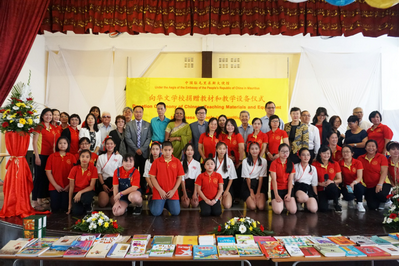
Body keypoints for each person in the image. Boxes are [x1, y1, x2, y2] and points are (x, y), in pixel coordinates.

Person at [148, 141, 185, 216]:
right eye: (165, 150)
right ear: (162, 150)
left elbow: (180, 177)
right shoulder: (156, 162)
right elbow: (152, 177)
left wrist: (173, 190)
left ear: (172, 150)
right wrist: (160, 190)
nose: (167, 152)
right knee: (156, 213)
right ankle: (151, 201)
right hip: (159, 191)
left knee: (175, 212)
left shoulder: (177, 162)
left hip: (172, 192)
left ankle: (163, 203)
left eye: (169, 150)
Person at [32, 108, 57, 211]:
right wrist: (37, 156)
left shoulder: (53, 128)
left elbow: (54, 143)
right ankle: (34, 200)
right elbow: (34, 142)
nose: (48, 117)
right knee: (38, 177)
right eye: (46, 115)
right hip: (40, 155)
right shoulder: (39, 126)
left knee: (46, 177)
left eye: (50, 115)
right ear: (42, 116)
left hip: (50, 156)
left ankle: (42, 198)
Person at [45, 136, 77, 213]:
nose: (62, 145)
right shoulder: (51, 156)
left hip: (67, 187)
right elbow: (48, 172)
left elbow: (75, 173)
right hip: (54, 186)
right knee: (55, 208)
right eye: (60, 143)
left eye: (64, 143)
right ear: (57, 145)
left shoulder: (72, 157)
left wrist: (69, 186)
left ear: (68, 145)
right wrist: (55, 185)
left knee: (64, 207)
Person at [125, 106, 152, 192]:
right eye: (136, 112)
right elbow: (127, 138)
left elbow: (149, 138)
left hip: (144, 153)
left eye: (140, 112)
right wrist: (136, 149)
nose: (138, 114)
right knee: (132, 172)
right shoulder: (129, 124)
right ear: (133, 113)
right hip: (132, 153)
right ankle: (132, 190)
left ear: (143, 113)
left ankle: (143, 191)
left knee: (143, 172)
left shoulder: (147, 124)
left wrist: (142, 149)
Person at [358, 140, 390, 210]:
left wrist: (380, 184)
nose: (371, 148)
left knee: (381, 194)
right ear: (365, 148)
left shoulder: (381, 157)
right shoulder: (360, 158)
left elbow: (384, 172)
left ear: (376, 148)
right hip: (369, 186)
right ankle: (379, 200)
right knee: (372, 206)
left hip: (382, 183)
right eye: (368, 146)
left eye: (373, 146)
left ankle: (385, 200)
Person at [265, 115, 289, 201]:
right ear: (270, 123)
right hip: (269, 159)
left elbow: (286, 146)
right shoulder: (267, 134)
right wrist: (268, 154)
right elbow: (266, 147)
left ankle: (280, 196)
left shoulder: (283, 132)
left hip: (280, 159)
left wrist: (278, 155)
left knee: (279, 178)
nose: (275, 123)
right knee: (268, 178)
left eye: (277, 121)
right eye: (273, 121)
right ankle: (268, 197)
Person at [67, 150, 98, 215]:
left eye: (87, 157)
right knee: (76, 212)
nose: (84, 159)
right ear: (79, 158)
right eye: (83, 156)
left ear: (90, 158)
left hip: (88, 191)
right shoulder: (74, 169)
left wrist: (80, 192)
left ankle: (89, 205)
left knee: (86, 199)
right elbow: (71, 187)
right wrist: (69, 204)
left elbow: (91, 186)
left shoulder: (93, 169)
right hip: (76, 192)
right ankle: (82, 206)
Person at [312, 145, 342, 212]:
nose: (326, 155)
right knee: (323, 209)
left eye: (328, 153)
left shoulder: (335, 164)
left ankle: (336, 202)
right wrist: (320, 184)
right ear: (320, 154)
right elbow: (311, 180)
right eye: (324, 153)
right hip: (320, 189)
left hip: (331, 188)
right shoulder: (314, 165)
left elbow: (340, 179)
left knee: (332, 186)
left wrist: (332, 182)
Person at [270, 143, 297, 215]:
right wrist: (276, 195)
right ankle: (279, 202)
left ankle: (285, 202)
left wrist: (289, 193)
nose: (285, 153)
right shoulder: (274, 163)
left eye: (287, 151)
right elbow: (273, 180)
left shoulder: (291, 164)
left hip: (287, 189)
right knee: (278, 211)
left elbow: (290, 180)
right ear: (278, 152)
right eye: (282, 151)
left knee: (293, 211)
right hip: (277, 189)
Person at [96, 137, 123, 208]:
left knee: (114, 203)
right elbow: (99, 173)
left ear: (114, 145)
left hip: (115, 183)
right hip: (104, 182)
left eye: (111, 144)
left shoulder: (119, 157)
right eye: (107, 144)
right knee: (102, 203)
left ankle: (112, 198)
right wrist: (103, 184)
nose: (109, 145)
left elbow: (121, 173)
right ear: (105, 145)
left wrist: (115, 186)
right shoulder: (100, 157)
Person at [339, 145, 366, 212]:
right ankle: (350, 200)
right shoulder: (339, 163)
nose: (345, 153)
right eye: (343, 152)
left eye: (347, 151)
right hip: (346, 186)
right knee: (349, 197)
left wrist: (353, 183)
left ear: (352, 153)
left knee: (359, 187)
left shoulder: (358, 162)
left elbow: (359, 177)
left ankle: (359, 203)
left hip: (356, 184)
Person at [241, 142, 267, 211]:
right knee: (252, 207)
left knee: (261, 207)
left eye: (256, 149)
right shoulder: (245, 161)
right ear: (249, 150)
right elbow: (247, 178)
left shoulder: (263, 161)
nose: (254, 151)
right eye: (252, 149)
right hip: (248, 184)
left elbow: (261, 177)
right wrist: (251, 192)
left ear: (259, 150)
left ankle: (259, 197)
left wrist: (258, 192)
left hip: (259, 184)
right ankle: (248, 199)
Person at [293, 148, 318, 213]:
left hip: (308, 187)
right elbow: (291, 181)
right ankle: (298, 202)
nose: (306, 157)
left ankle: (307, 204)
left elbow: (314, 183)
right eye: (303, 155)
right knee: (304, 197)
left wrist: (315, 195)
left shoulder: (313, 168)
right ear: (299, 156)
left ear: (310, 156)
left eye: (308, 155)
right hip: (298, 187)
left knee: (313, 209)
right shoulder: (295, 166)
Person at [214, 142, 237, 209]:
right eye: (220, 149)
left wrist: (226, 190)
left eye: (224, 149)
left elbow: (231, 178)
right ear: (216, 150)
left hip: (226, 184)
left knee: (227, 205)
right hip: (216, 185)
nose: (222, 151)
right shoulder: (212, 160)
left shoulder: (229, 161)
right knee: (217, 206)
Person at [181, 143, 201, 208]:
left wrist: (195, 194)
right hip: (185, 186)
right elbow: (182, 180)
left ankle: (192, 197)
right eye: (188, 150)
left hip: (194, 186)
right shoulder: (181, 163)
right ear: (185, 151)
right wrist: (184, 194)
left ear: (194, 152)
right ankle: (185, 197)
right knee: (186, 204)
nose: (190, 152)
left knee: (195, 204)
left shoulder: (197, 163)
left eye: (191, 150)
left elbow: (197, 180)